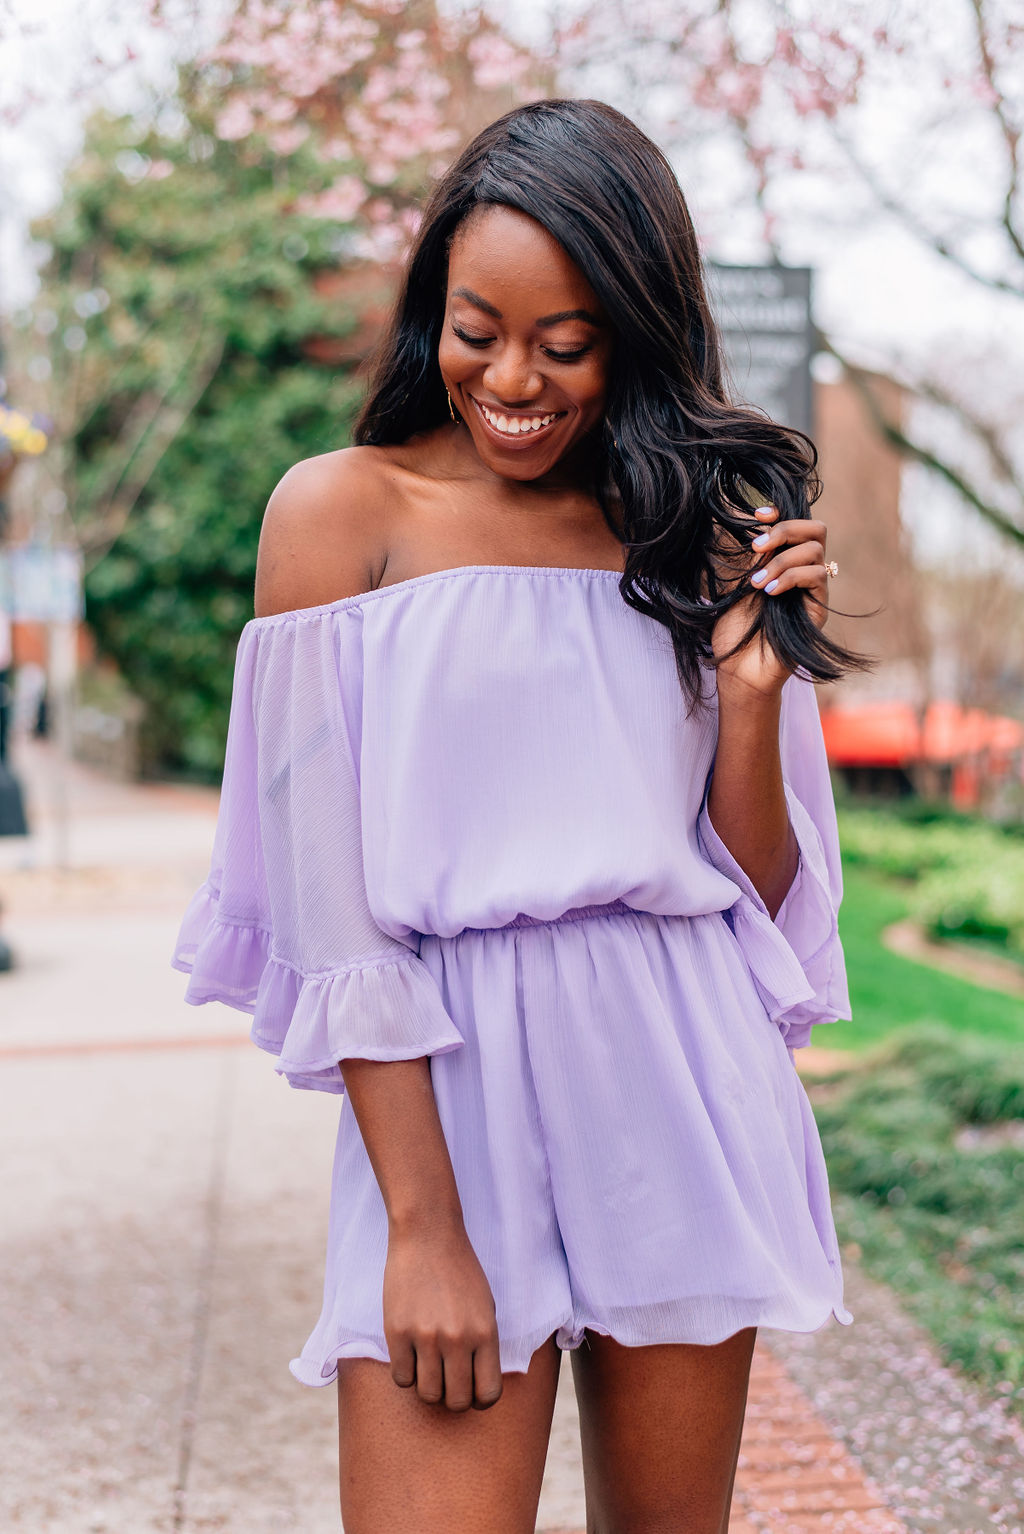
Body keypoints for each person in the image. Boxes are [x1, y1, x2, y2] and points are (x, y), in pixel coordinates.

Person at [173, 98, 864, 1534]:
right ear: (434, 305)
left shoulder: (698, 528)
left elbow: (750, 887)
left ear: (636, 332)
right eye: (479, 327)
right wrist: (423, 1222)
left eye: (567, 343)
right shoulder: (334, 514)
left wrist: (748, 693)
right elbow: (327, 908)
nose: (513, 379)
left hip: (677, 1085)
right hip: (446, 1098)